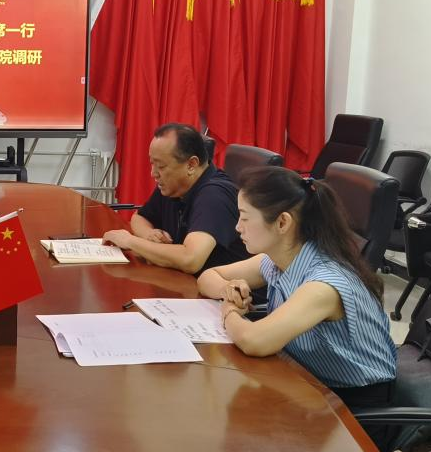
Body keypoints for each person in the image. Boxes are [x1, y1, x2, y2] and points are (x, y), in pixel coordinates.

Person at [197, 166, 397, 419]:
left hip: (353, 409)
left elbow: (254, 341)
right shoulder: (276, 260)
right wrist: (229, 289)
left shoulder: (323, 285)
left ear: (282, 222)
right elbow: (207, 277)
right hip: (306, 383)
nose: (238, 227)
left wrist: (229, 311)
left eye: (245, 218)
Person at [102, 123, 248, 274]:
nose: (153, 173)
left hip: (222, 287)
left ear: (191, 165)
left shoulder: (215, 196)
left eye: (161, 166)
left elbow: (190, 259)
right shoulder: (174, 185)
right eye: (152, 164)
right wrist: (149, 235)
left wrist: (131, 242)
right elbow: (139, 217)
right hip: (182, 280)